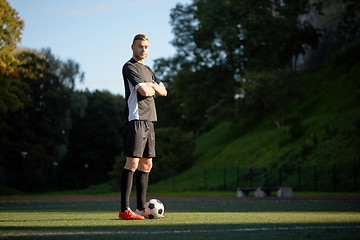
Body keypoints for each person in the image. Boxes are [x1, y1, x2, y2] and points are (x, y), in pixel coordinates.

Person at [118, 34, 167, 220]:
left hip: (150, 121)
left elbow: (164, 91)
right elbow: (146, 91)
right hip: (136, 119)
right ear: (132, 47)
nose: (143, 49)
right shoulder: (129, 67)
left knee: (147, 164)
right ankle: (124, 210)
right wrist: (152, 86)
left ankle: (140, 209)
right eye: (140, 46)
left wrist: (152, 86)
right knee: (132, 163)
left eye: (146, 46)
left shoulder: (148, 69)